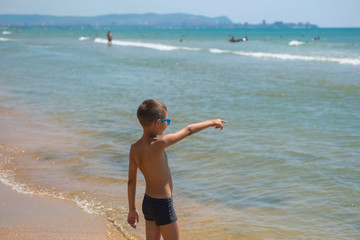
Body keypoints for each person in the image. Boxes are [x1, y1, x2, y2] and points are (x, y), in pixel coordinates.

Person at [127, 99, 226, 240]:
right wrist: (212, 122)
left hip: (148, 203)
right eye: (167, 121)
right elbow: (188, 130)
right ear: (158, 123)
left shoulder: (134, 148)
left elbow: (131, 181)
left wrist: (132, 209)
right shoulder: (160, 143)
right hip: (162, 204)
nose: (167, 125)